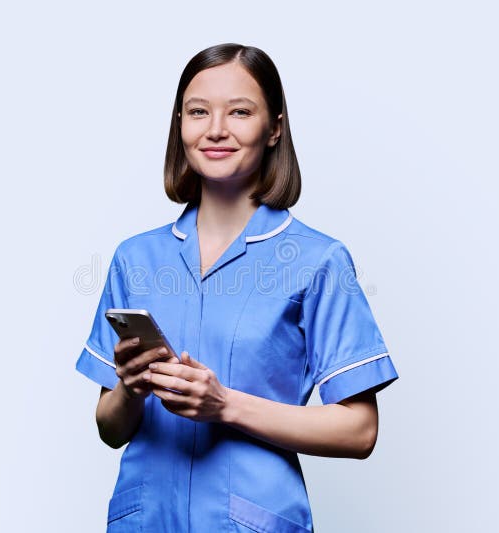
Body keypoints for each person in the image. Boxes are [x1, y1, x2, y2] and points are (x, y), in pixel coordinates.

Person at [75, 43, 398, 533]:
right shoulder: (135, 260)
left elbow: (360, 430)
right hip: (145, 521)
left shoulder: (319, 262)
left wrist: (224, 405)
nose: (216, 129)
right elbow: (109, 428)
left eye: (240, 111)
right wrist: (131, 388)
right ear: (179, 123)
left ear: (274, 128)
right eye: (198, 111)